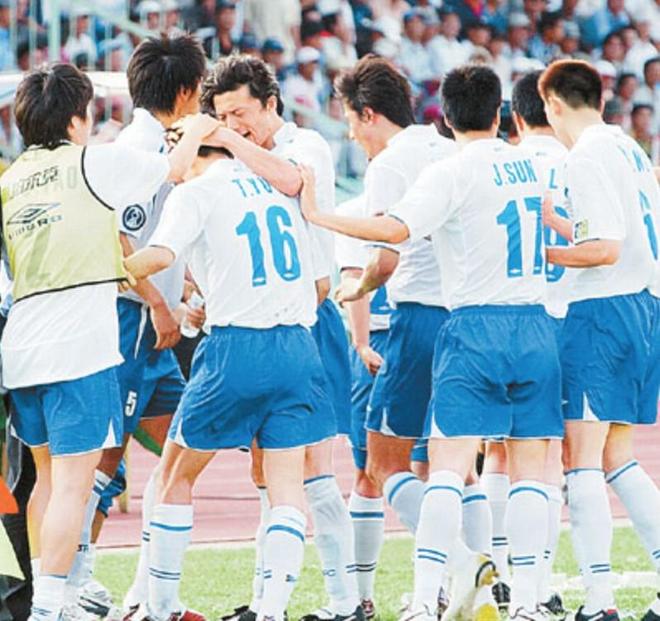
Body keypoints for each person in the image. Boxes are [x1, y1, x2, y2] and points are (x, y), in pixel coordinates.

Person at [298, 63, 564, 621]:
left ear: (447, 114)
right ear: (500, 113)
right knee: (528, 472)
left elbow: (393, 233)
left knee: (442, 468)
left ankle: (426, 599)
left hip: (471, 325)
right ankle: (526, 601)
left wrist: (319, 215)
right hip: (537, 325)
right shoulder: (532, 164)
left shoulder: (451, 170)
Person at [0, 62, 218, 621]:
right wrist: (197, 127)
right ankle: (50, 607)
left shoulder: (11, 179)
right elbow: (174, 168)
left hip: (22, 346)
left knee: (46, 481)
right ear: (78, 119)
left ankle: (47, 602)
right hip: (80, 344)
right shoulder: (96, 161)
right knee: (74, 484)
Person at [122, 138, 329, 621]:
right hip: (298, 345)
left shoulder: (194, 192)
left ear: (186, 146)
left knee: (174, 475)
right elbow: (320, 284)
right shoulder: (279, 185)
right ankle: (272, 610)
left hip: (236, 346)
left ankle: (160, 608)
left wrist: (101, 272)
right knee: (285, 487)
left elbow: (160, 254)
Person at [201, 55, 360, 621]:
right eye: (222, 117)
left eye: (240, 113)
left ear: (271, 103)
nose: (233, 126)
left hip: (309, 324)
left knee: (315, 473)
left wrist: (225, 140)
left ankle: (345, 601)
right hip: (262, 327)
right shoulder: (237, 160)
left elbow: (292, 180)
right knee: (268, 474)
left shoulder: (305, 144)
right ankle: (269, 597)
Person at [81, 35, 208, 621]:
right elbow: (120, 238)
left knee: (182, 451)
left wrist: (185, 287)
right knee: (104, 459)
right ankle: (75, 581)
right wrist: (159, 302)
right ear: (185, 91)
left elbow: (160, 233)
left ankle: (149, 595)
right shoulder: (139, 149)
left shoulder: (159, 144)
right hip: (131, 322)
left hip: (155, 329)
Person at [539, 58, 660, 621]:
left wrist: (549, 251)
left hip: (602, 311)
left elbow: (605, 249)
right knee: (617, 456)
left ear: (552, 104)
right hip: (643, 306)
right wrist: (566, 228)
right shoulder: (628, 148)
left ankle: (599, 601)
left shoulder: (582, 155)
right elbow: (622, 234)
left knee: (580, 458)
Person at [331, 54, 456, 542]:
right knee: (455, 464)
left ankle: (465, 560)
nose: (351, 136)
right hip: (466, 317)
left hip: (418, 318)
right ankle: (489, 568)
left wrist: (357, 288)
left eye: (350, 122)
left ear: (368, 114)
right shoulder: (447, 148)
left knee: (381, 464)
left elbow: (384, 260)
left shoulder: (388, 164)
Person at [509, 68, 571, 617]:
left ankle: (508, 572)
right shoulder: (580, 159)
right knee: (554, 459)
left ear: (517, 116)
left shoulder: (511, 164)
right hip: (576, 317)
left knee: (499, 453)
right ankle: (541, 579)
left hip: (517, 316)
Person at [334, 195, 391, 619]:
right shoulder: (438, 184)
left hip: (382, 338)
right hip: (438, 330)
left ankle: (362, 596)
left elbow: (354, 279)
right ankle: (447, 587)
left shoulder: (354, 212)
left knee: (370, 472)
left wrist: (360, 343)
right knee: (448, 469)